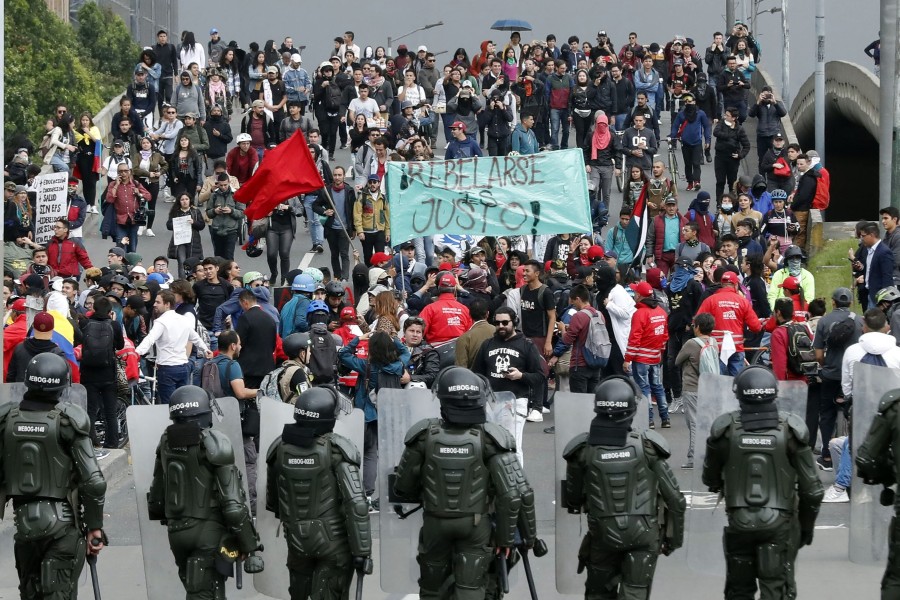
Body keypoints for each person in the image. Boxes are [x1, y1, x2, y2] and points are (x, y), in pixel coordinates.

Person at [394, 366, 537, 600]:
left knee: (431, 590)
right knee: (471, 590)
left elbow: (403, 487)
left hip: (434, 523)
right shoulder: (491, 438)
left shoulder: (423, 435)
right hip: (475, 524)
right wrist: (518, 538)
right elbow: (517, 494)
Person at [702, 366, 824, 599]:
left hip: (739, 521)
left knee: (738, 590)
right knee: (776, 588)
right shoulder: (790, 430)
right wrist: (806, 527)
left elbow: (709, 477)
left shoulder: (725, 430)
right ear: (774, 393)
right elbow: (813, 490)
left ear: (738, 394)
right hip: (780, 523)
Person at [563, 376, 686, 597]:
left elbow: (572, 499)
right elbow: (676, 499)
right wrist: (673, 540)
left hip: (602, 534)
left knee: (598, 594)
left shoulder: (582, 450)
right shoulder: (648, 446)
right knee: (635, 593)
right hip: (644, 533)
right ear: (631, 409)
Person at [0, 353, 107, 597]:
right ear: (62, 385)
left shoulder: (7, 419)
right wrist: (95, 527)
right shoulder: (68, 422)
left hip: (24, 525)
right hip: (62, 527)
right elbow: (94, 482)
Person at [147, 386, 263, 598]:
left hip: (177, 532)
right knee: (207, 594)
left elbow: (156, 498)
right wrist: (249, 545)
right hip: (207, 532)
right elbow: (234, 507)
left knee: (198, 591)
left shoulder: (166, 441)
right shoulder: (214, 442)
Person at [265, 387, 372, 598]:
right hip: (333, 542)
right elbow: (356, 504)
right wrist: (362, 551)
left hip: (296, 539)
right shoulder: (336, 450)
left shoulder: (279, 448)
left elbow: (274, 502)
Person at [135, 290, 213, 405]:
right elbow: (195, 337)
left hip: (167, 369)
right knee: (182, 403)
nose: (154, 304)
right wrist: (206, 349)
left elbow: (149, 339)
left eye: (158, 302)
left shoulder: (161, 322)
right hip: (183, 368)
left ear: (167, 304)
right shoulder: (184, 320)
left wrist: (136, 353)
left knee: (169, 405)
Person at [80, 295, 126, 452]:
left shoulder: (86, 323)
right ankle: (111, 443)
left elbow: (80, 341)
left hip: (88, 373)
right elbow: (120, 345)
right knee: (110, 411)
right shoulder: (113, 325)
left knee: (90, 410)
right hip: (108, 373)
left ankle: (89, 442)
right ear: (109, 311)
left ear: (94, 308)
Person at [696, 271, 762, 375]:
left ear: (722, 284)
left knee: (717, 382)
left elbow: (697, 321)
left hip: (715, 348)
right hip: (737, 348)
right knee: (735, 383)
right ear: (736, 285)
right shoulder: (742, 301)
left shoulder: (710, 300)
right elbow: (756, 326)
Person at [625, 281, 670, 429]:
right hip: (655, 357)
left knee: (644, 388)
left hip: (641, 358)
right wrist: (660, 352)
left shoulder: (639, 314)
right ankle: (665, 418)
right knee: (658, 386)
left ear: (638, 296)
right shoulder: (661, 313)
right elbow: (664, 336)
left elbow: (634, 338)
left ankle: (648, 418)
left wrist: (627, 359)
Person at [105, 162, 151, 253]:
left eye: (125, 171)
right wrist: (116, 185)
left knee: (132, 248)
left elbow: (148, 196)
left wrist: (139, 193)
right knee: (121, 247)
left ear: (130, 172)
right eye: (120, 171)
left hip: (134, 220)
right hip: (119, 221)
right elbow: (109, 199)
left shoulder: (135, 183)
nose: (123, 173)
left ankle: (131, 266)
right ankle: (121, 266)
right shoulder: (113, 184)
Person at [713, 106, 751, 201]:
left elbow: (747, 145)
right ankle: (719, 202)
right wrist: (728, 136)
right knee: (720, 181)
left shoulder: (739, 129)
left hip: (733, 159)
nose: (725, 117)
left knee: (732, 182)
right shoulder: (722, 123)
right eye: (725, 115)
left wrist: (740, 155)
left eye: (728, 115)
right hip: (720, 157)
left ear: (733, 118)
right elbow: (716, 132)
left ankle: (732, 202)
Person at [206, 172, 245, 260]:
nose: (223, 187)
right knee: (218, 258)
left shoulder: (236, 195)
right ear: (217, 184)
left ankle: (229, 273)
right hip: (217, 230)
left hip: (231, 230)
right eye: (221, 185)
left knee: (229, 257)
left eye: (225, 185)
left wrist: (231, 211)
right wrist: (215, 211)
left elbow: (242, 213)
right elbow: (208, 213)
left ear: (229, 183)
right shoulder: (214, 195)